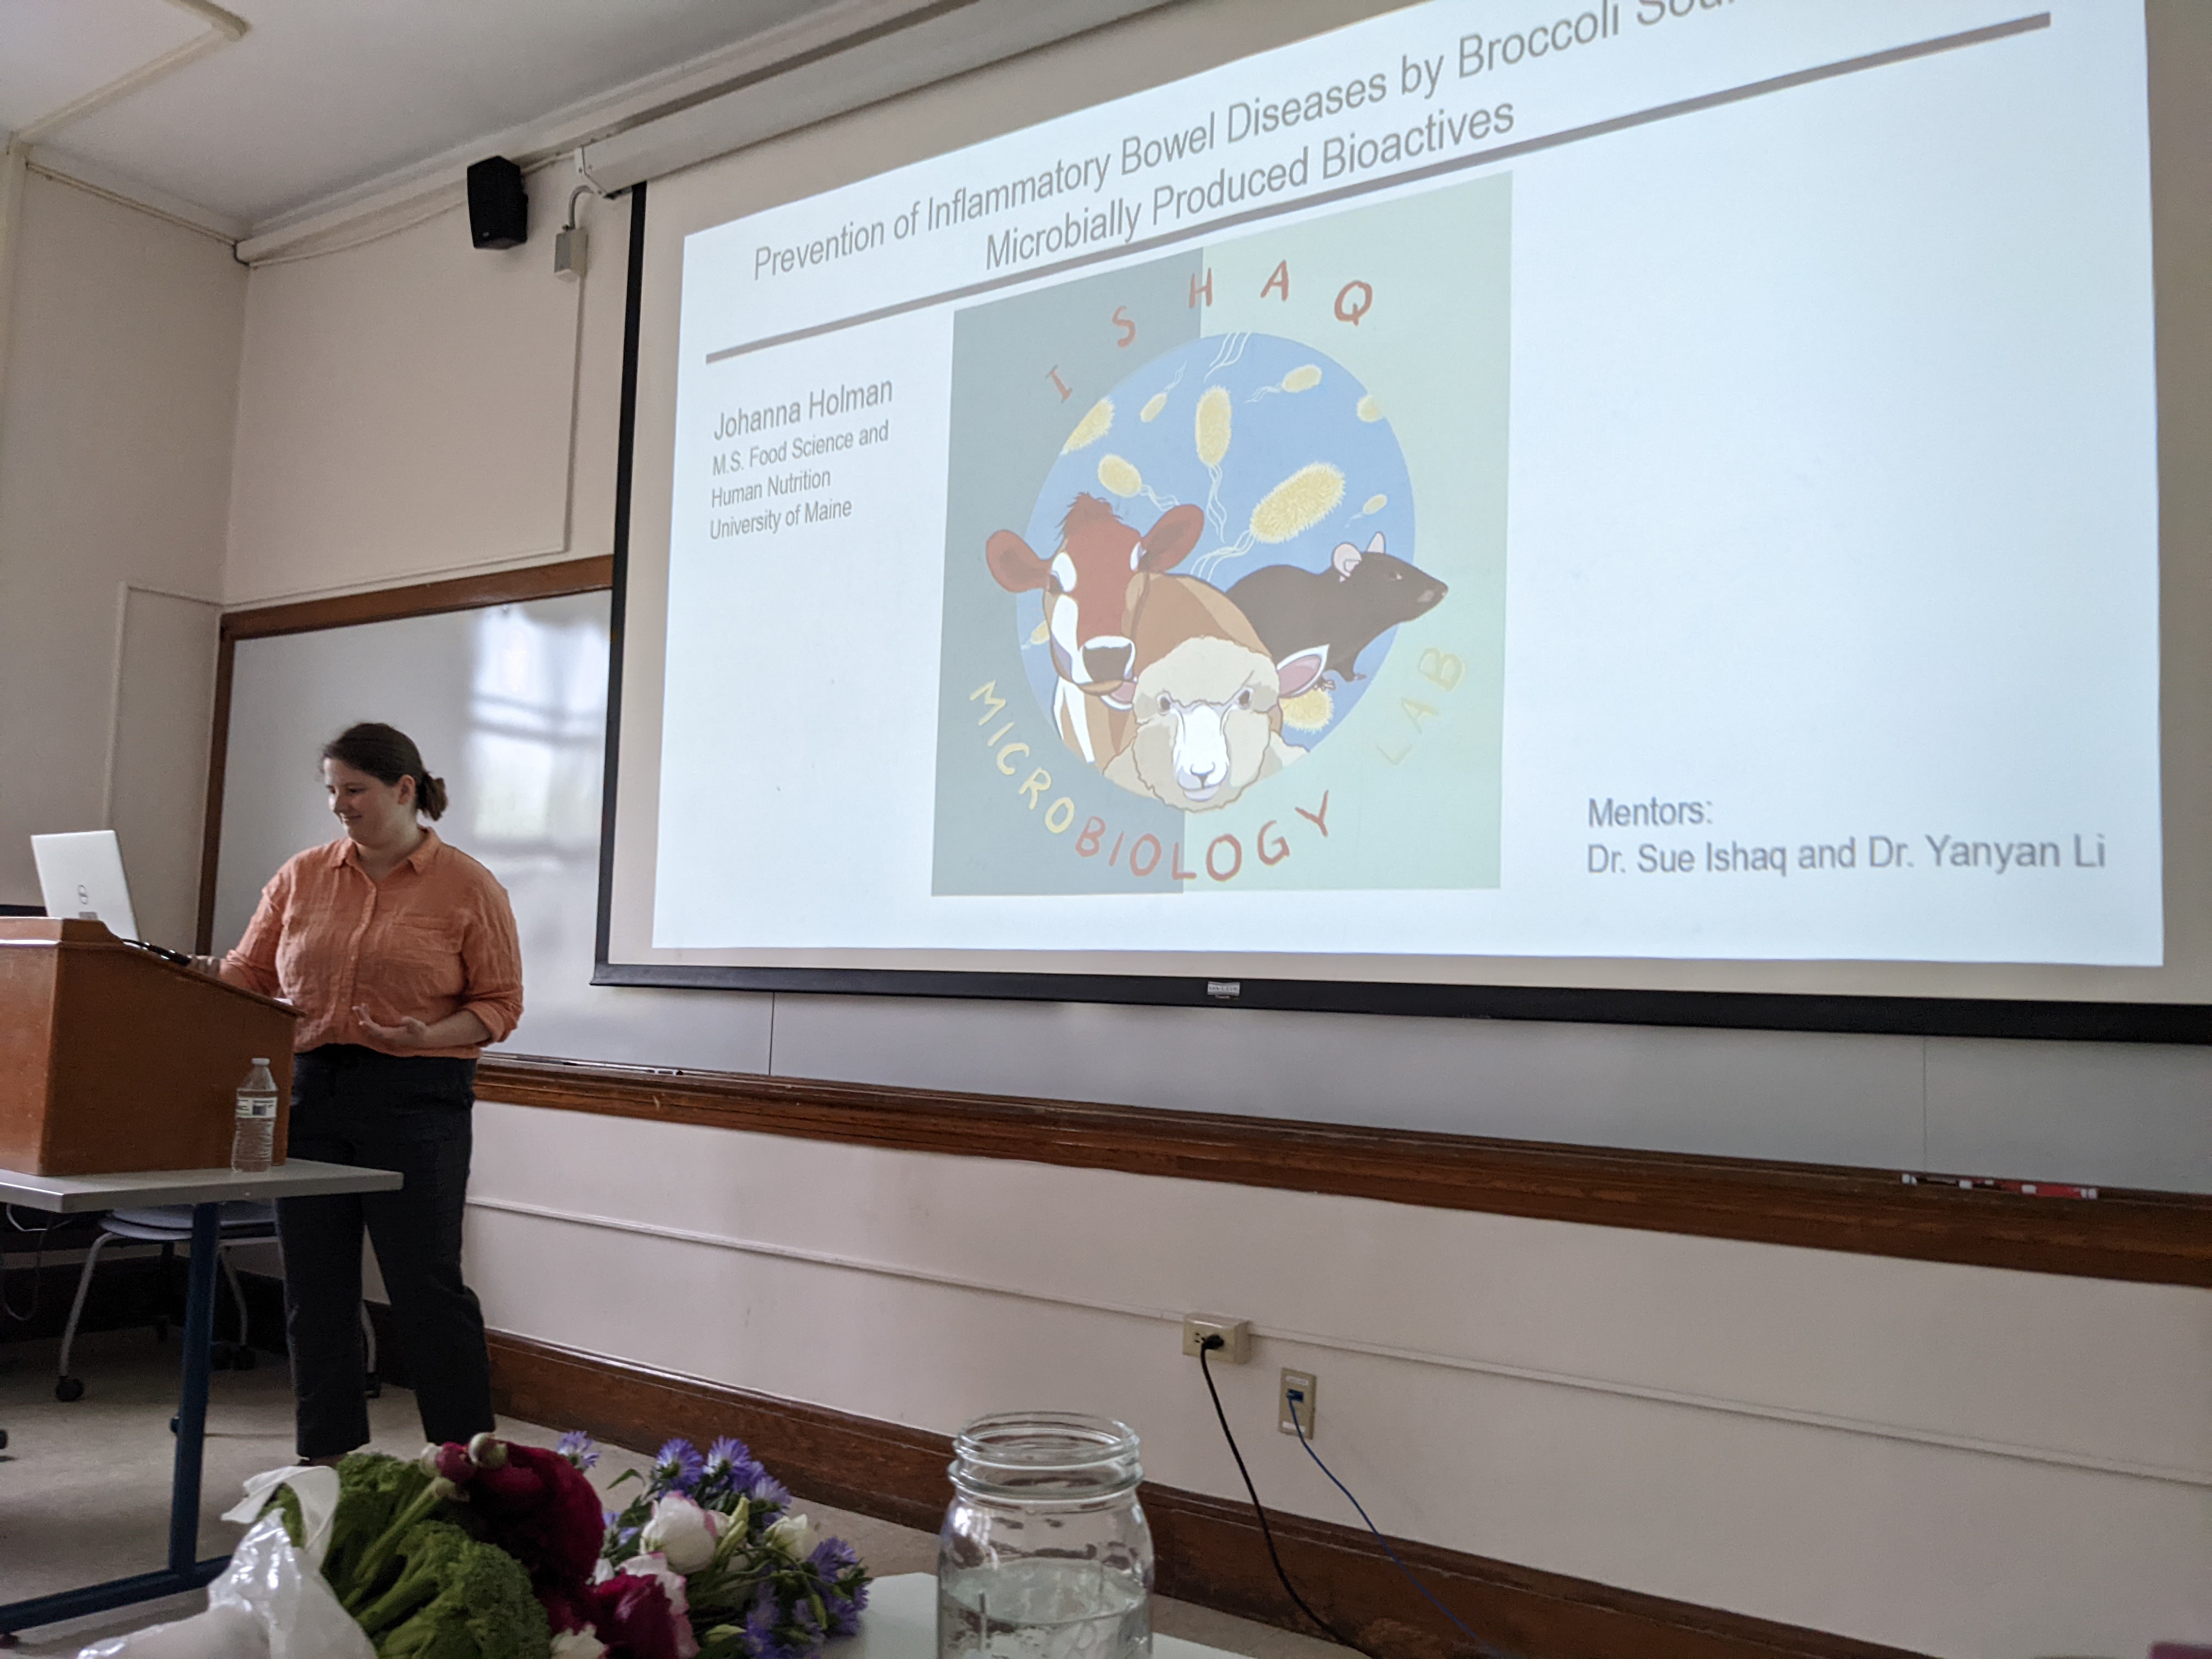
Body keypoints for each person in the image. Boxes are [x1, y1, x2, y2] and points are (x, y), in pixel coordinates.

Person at [213, 721, 523, 1462]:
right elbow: (247, 975)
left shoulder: (469, 886)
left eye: (354, 789)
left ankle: (467, 1466)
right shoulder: (302, 875)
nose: (339, 805)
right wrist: (180, 974)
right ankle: (327, 1459)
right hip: (311, 1092)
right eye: (331, 790)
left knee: (426, 1288)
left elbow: (499, 1005)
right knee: (314, 1288)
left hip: (419, 1095)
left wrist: (427, 1036)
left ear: (404, 789)